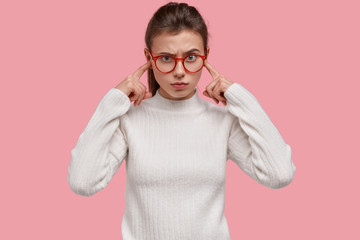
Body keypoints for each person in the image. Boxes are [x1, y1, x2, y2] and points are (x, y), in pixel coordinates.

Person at [67, 2, 296, 239]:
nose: (179, 71)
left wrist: (241, 98)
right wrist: (111, 102)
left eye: (191, 57)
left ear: (206, 57)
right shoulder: (130, 121)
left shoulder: (222, 122)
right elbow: (83, 182)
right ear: (149, 57)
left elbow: (279, 174)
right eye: (166, 58)